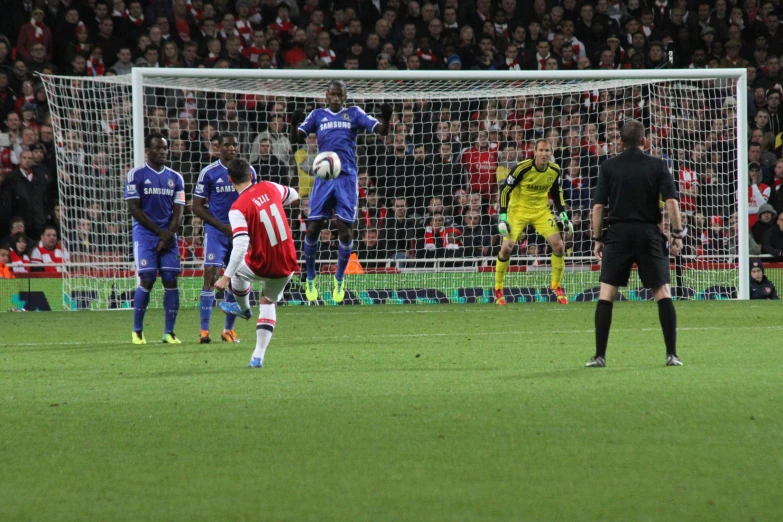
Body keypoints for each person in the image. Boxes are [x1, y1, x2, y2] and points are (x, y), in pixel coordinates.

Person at [589, 120, 684, 368]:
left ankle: (599, 356)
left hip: (618, 234)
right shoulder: (658, 165)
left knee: (607, 293)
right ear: (644, 141)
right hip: (648, 233)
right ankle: (671, 354)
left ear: (620, 142)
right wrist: (677, 234)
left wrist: (598, 239)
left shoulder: (609, 166)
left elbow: (598, 207)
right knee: (661, 291)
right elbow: (672, 203)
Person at [291, 80, 390, 302]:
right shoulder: (317, 115)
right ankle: (309, 277)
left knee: (345, 231)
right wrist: (293, 122)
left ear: (345, 96)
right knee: (313, 228)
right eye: (332, 94)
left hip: (346, 178)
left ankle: (339, 279)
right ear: (326, 95)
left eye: (339, 94)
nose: (335, 97)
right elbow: (297, 137)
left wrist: (387, 118)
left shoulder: (354, 113)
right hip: (324, 178)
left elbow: (381, 130)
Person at [215, 159, 299, 368]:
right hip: (287, 261)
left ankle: (243, 309)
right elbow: (295, 195)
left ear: (229, 179)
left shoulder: (237, 208)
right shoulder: (270, 187)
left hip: (261, 262)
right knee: (268, 301)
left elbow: (241, 244)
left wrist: (225, 277)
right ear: (251, 175)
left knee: (236, 273)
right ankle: (257, 356)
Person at [192, 133, 257, 344]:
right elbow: (196, 206)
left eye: (234, 145)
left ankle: (228, 330)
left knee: (238, 277)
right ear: (217, 148)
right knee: (211, 274)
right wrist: (221, 226)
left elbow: (254, 201)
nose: (231, 148)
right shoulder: (208, 172)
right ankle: (204, 331)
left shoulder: (248, 171)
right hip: (217, 231)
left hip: (240, 232)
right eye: (227, 145)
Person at [494, 139, 573, 305]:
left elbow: (557, 196)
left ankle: (556, 286)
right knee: (507, 248)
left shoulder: (555, 170)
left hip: (541, 212)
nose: (544, 154)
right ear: (535, 152)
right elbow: (505, 190)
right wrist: (502, 216)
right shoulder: (522, 168)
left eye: (547, 151)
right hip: (517, 212)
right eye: (541, 150)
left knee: (558, 245)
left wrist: (564, 217)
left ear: (551, 153)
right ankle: (498, 288)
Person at [124, 132, 185, 345]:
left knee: (170, 279)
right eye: (158, 149)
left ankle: (169, 332)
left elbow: (179, 210)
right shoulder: (136, 175)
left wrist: (168, 234)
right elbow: (133, 208)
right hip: (146, 234)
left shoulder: (176, 178)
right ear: (147, 151)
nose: (162, 152)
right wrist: (160, 233)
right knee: (147, 278)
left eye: (165, 148)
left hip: (169, 234)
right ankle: (137, 331)